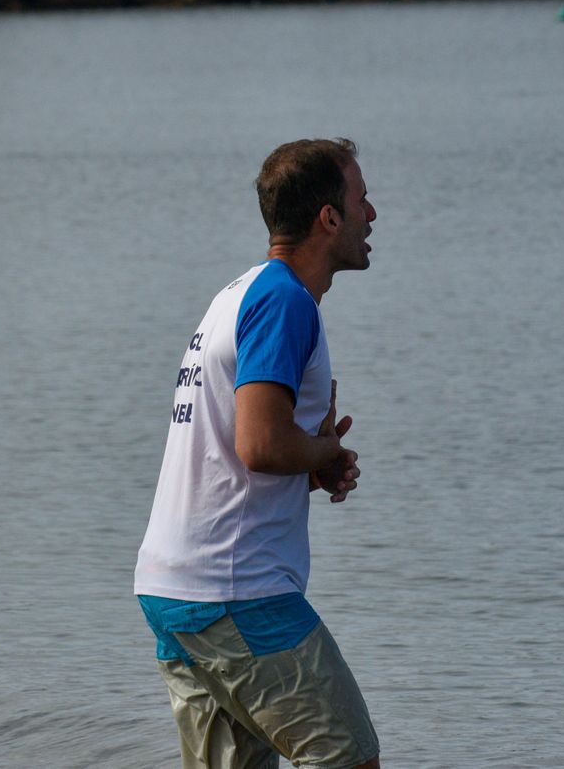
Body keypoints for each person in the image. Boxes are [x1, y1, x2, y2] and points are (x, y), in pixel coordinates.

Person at [134, 138, 380, 769]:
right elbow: (261, 444)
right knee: (349, 758)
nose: (372, 213)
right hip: (237, 594)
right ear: (329, 217)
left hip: (175, 591)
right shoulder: (285, 301)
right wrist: (320, 447)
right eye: (360, 199)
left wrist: (314, 462)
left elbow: (243, 448)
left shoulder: (238, 294)